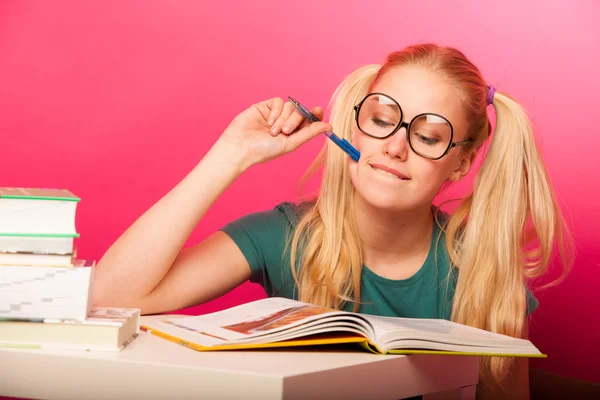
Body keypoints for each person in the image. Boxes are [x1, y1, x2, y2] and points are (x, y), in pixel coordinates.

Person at [92, 43, 572, 399]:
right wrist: (231, 154)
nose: (395, 146)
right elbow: (111, 297)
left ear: (461, 164)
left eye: (428, 135)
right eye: (382, 120)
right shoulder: (284, 235)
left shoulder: (484, 270)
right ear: (355, 129)